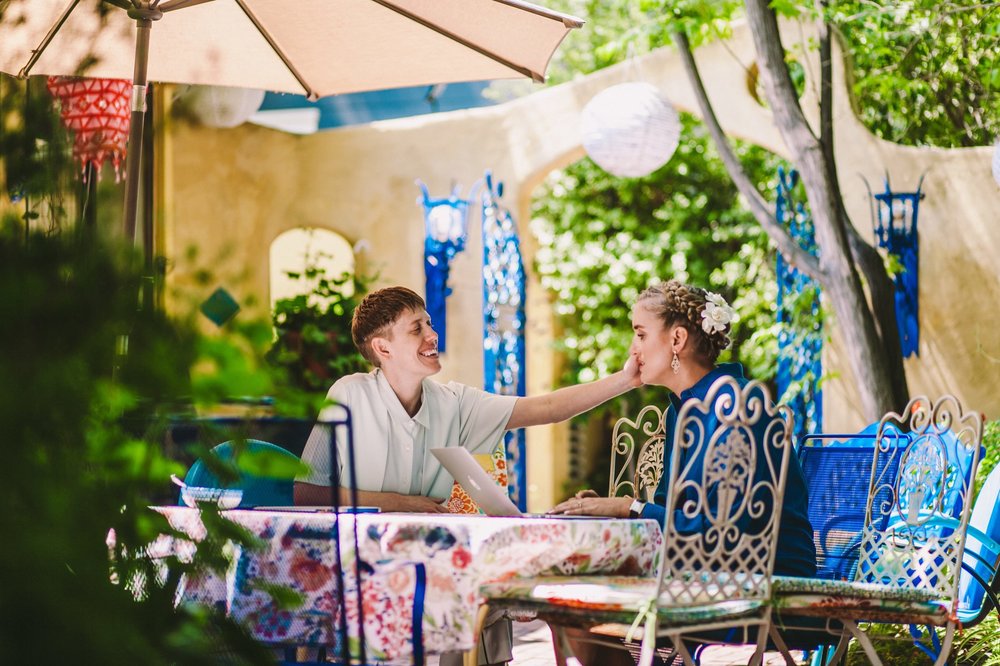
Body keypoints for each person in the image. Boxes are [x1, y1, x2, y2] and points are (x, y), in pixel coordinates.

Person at [294, 285, 641, 666]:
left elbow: (548, 408)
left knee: (497, 584)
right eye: (417, 328)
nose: (432, 334)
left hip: (429, 565)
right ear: (383, 348)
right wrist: (403, 505)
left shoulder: (455, 403)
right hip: (360, 569)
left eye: (429, 323)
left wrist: (626, 379)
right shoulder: (349, 395)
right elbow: (309, 493)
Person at [550, 279, 816, 578]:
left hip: (769, 588)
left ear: (677, 339)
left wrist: (629, 508)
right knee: (568, 589)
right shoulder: (681, 411)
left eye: (640, 335)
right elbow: (669, 517)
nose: (632, 349)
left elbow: (723, 534)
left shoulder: (737, 404)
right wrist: (609, 513)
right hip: (703, 576)